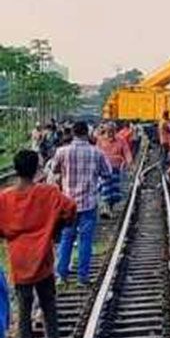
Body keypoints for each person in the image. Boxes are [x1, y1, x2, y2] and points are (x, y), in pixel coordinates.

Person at [0, 150, 76, 338]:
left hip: (19, 259)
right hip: (43, 258)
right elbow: (70, 209)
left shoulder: (4, 198)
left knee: (24, 307)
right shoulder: (49, 193)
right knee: (48, 303)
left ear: (16, 170)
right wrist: (56, 228)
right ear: (36, 169)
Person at [52, 121, 112, 285]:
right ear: (87, 133)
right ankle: (82, 278)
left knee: (66, 238)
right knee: (86, 241)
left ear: (73, 133)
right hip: (88, 204)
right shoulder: (96, 153)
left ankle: (61, 275)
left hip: (68, 204)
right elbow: (108, 173)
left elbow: (54, 170)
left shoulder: (62, 152)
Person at [96, 122, 133, 218]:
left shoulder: (121, 140)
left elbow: (126, 151)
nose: (110, 133)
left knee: (114, 191)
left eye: (112, 131)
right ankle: (105, 208)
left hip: (116, 169)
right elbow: (96, 153)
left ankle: (110, 208)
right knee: (105, 189)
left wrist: (129, 163)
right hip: (103, 170)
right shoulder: (100, 140)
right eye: (108, 131)